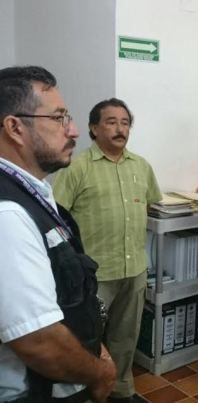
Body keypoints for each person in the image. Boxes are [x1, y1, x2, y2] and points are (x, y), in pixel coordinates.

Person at [0, 66, 116, 402]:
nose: (74, 130)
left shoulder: (33, 190)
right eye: (59, 118)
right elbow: (38, 341)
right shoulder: (8, 214)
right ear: (15, 128)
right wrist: (100, 373)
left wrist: (96, 346)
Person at [53, 98, 161, 403]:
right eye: (111, 122)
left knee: (126, 337)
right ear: (94, 128)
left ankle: (121, 390)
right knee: (86, 339)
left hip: (134, 269)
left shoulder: (141, 166)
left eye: (125, 123)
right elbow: (58, 219)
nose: (119, 129)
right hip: (95, 275)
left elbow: (149, 204)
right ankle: (87, 393)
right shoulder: (76, 167)